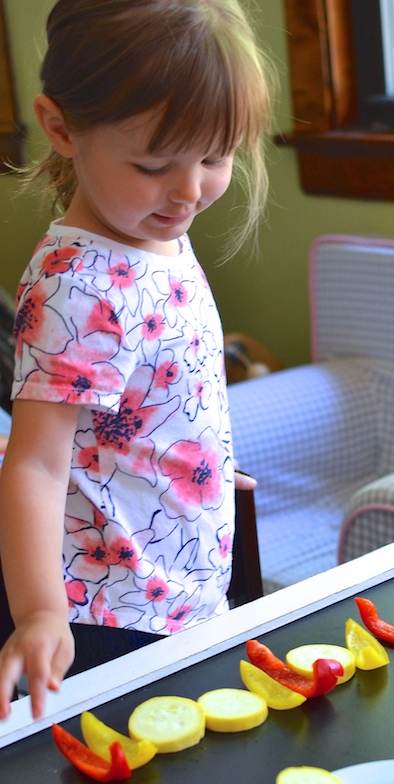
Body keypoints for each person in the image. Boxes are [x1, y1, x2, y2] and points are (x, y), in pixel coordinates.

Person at [0, 0, 273, 720]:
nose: (189, 192)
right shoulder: (77, 286)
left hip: (182, 578)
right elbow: (33, 463)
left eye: (215, 158)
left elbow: (158, 385)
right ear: (61, 129)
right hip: (104, 613)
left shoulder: (153, 231)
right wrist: (37, 615)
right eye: (154, 164)